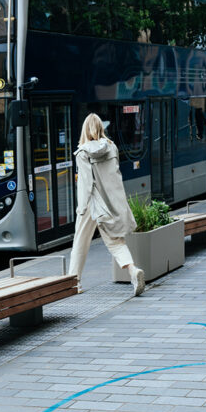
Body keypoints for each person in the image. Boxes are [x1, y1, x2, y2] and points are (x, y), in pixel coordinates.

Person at [67, 113, 146, 297]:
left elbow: (85, 184)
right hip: (111, 202)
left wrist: (81, 208)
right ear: (101, 128)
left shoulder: (82, 152)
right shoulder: (112, 147)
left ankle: (74, 283)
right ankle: (133, 271)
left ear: (85, 129)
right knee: (116, 241)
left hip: (93, 203)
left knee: (80, 241)